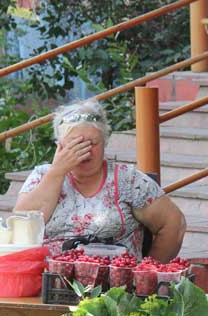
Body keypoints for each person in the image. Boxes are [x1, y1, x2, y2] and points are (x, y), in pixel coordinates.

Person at [15, 100, 186, 261]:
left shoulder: (129, 180)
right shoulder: (42, 176)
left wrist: (146, 274)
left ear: (105, 142)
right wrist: (58, 171)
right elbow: (22, 225)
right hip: (50, 280)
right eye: (75, 144)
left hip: (114, 284)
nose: (85, 151)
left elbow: (174, 225)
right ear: (59, 146)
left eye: (92, 143)